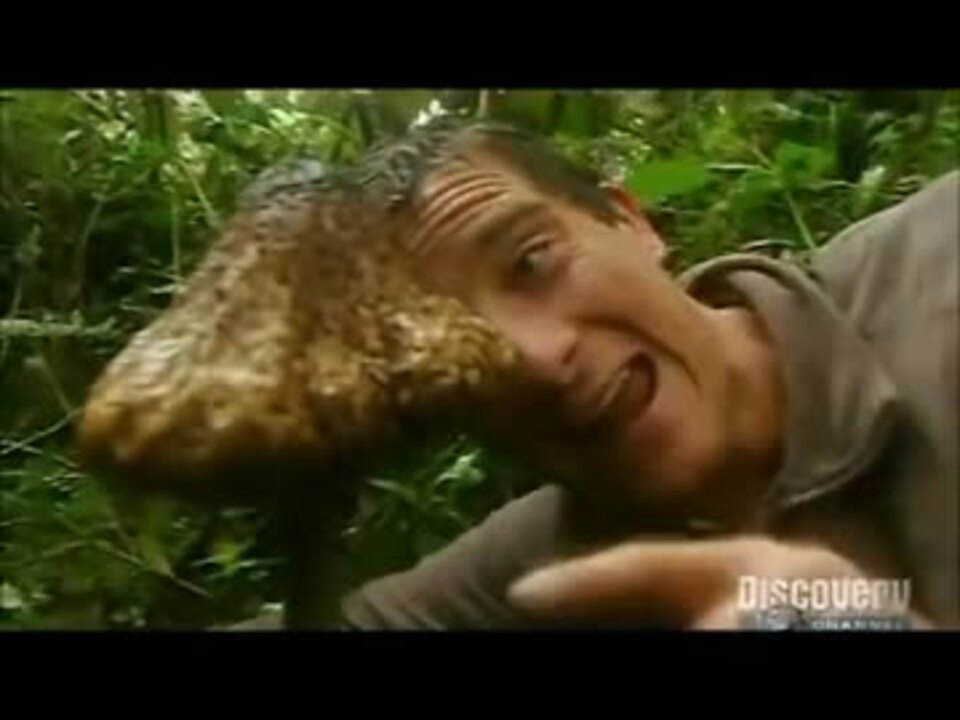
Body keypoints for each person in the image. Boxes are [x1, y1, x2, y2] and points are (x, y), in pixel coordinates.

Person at [240, 119, 959, 630]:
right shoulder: (551, 554)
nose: (538, 359)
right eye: (453, 344)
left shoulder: (941, 272)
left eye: (532, 263)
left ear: (631, 222)